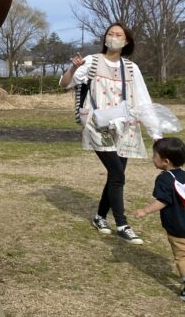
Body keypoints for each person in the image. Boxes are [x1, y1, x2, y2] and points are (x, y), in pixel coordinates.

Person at [60, 22, 158, 244]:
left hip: (126, 125)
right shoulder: (92, 62)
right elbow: (65, 84)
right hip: (98, 124)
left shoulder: (131, 68)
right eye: (110, 34)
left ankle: (99, 217)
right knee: (118, 173)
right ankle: (122, 224)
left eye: (118, 35)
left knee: (116, 175)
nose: (113, 37)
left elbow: (143, 100)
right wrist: (74, 68)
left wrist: (156, 132)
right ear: (105, 38)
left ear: (126, 41)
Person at [135, 137, 185, 301]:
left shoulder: (164, 179)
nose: (152, 158)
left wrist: (145, 210)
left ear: (165, 161)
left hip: (178, 228)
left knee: (182, 257)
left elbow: (163, 200)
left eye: (154, 155)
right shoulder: (183, 176)